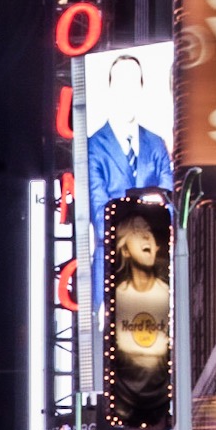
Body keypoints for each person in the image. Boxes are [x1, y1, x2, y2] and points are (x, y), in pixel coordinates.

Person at [85, 51, 174, 292]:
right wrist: (147, 202)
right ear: (110, 88)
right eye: (120, 82)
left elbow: (171, 207)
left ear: (141, 88)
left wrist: (126, 204)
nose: (127, 89)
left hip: (155, 274)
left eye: (133, 82)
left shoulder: (156, 143)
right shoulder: (93, 146)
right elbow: (100, 215)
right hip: (111, 272)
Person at [108, 208, 172, 428]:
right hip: (128, 401)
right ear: (125, 250)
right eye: (137, 231)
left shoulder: (169, 293)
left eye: (148, 230)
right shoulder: (117, 296)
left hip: (161, 398)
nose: (146, 235)